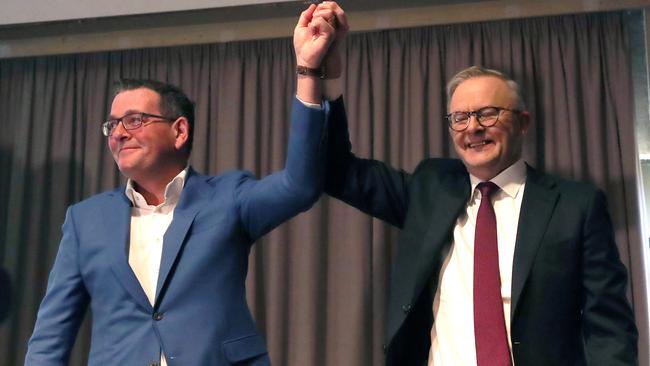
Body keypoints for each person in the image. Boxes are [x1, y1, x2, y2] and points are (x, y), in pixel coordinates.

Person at [315, 3, 638, 365]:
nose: (473, 127)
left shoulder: (576, 206)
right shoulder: (430, 188)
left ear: (523, 122)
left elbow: (609, 328)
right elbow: (336, 171)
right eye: (460, 117)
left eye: (487, 113)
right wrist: (324, 73)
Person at [24, 4, 337, 365]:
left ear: (179, 131)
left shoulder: (227, 198)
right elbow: (51, 336)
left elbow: (300, 186)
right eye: (112, 126)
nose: (120, 133)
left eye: (135, 120)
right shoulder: (85, 220)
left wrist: (308, 71)